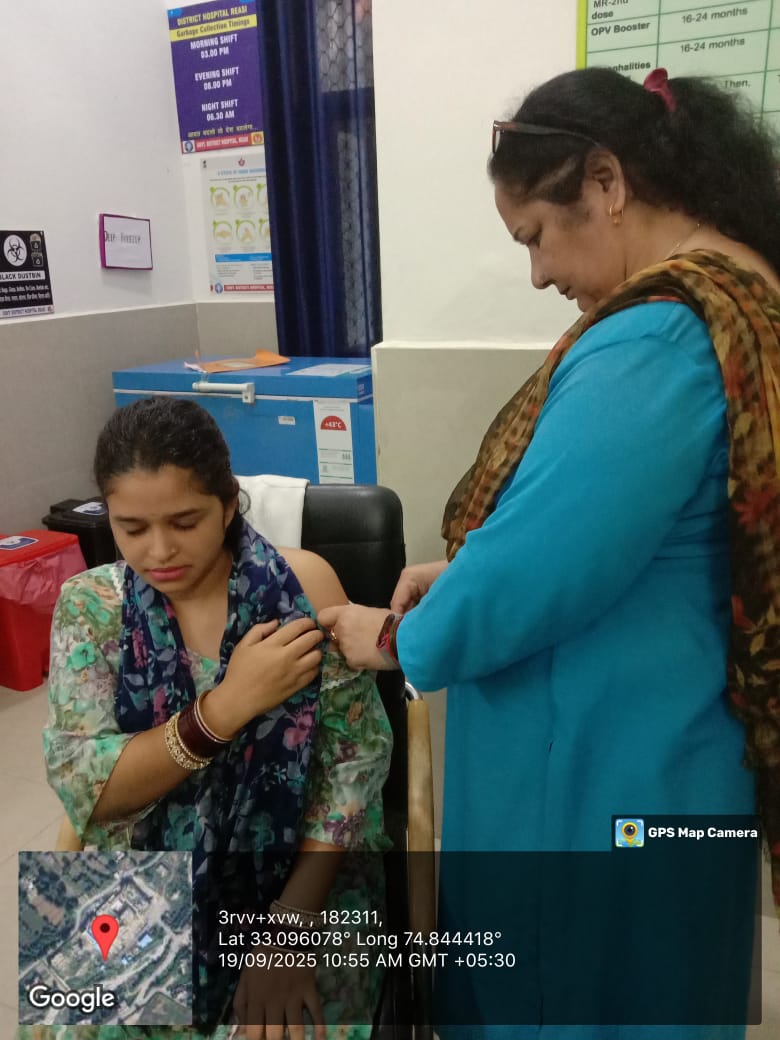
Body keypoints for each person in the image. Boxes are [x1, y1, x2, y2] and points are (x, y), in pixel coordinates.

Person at [319, 66, 780, 1039]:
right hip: (684, 737)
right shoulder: (746, 301)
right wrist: (473, 567)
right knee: (668, 976)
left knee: (575, 994)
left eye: (534, 234)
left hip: (603, 765)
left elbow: (532, 573)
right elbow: (620, 532)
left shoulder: (657, 338)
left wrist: (396, 637)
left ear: (606, 182)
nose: (537, 274)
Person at [19, 397, 392, 1040]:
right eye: (132, 528)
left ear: (226, 504)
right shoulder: (91, 608)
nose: (160, 550)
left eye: (185, 521)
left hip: (298, 876)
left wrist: (290, 930)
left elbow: (349, 773)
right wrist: (225, 708)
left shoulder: (300, 590)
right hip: (145, 869)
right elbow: (92, 788)